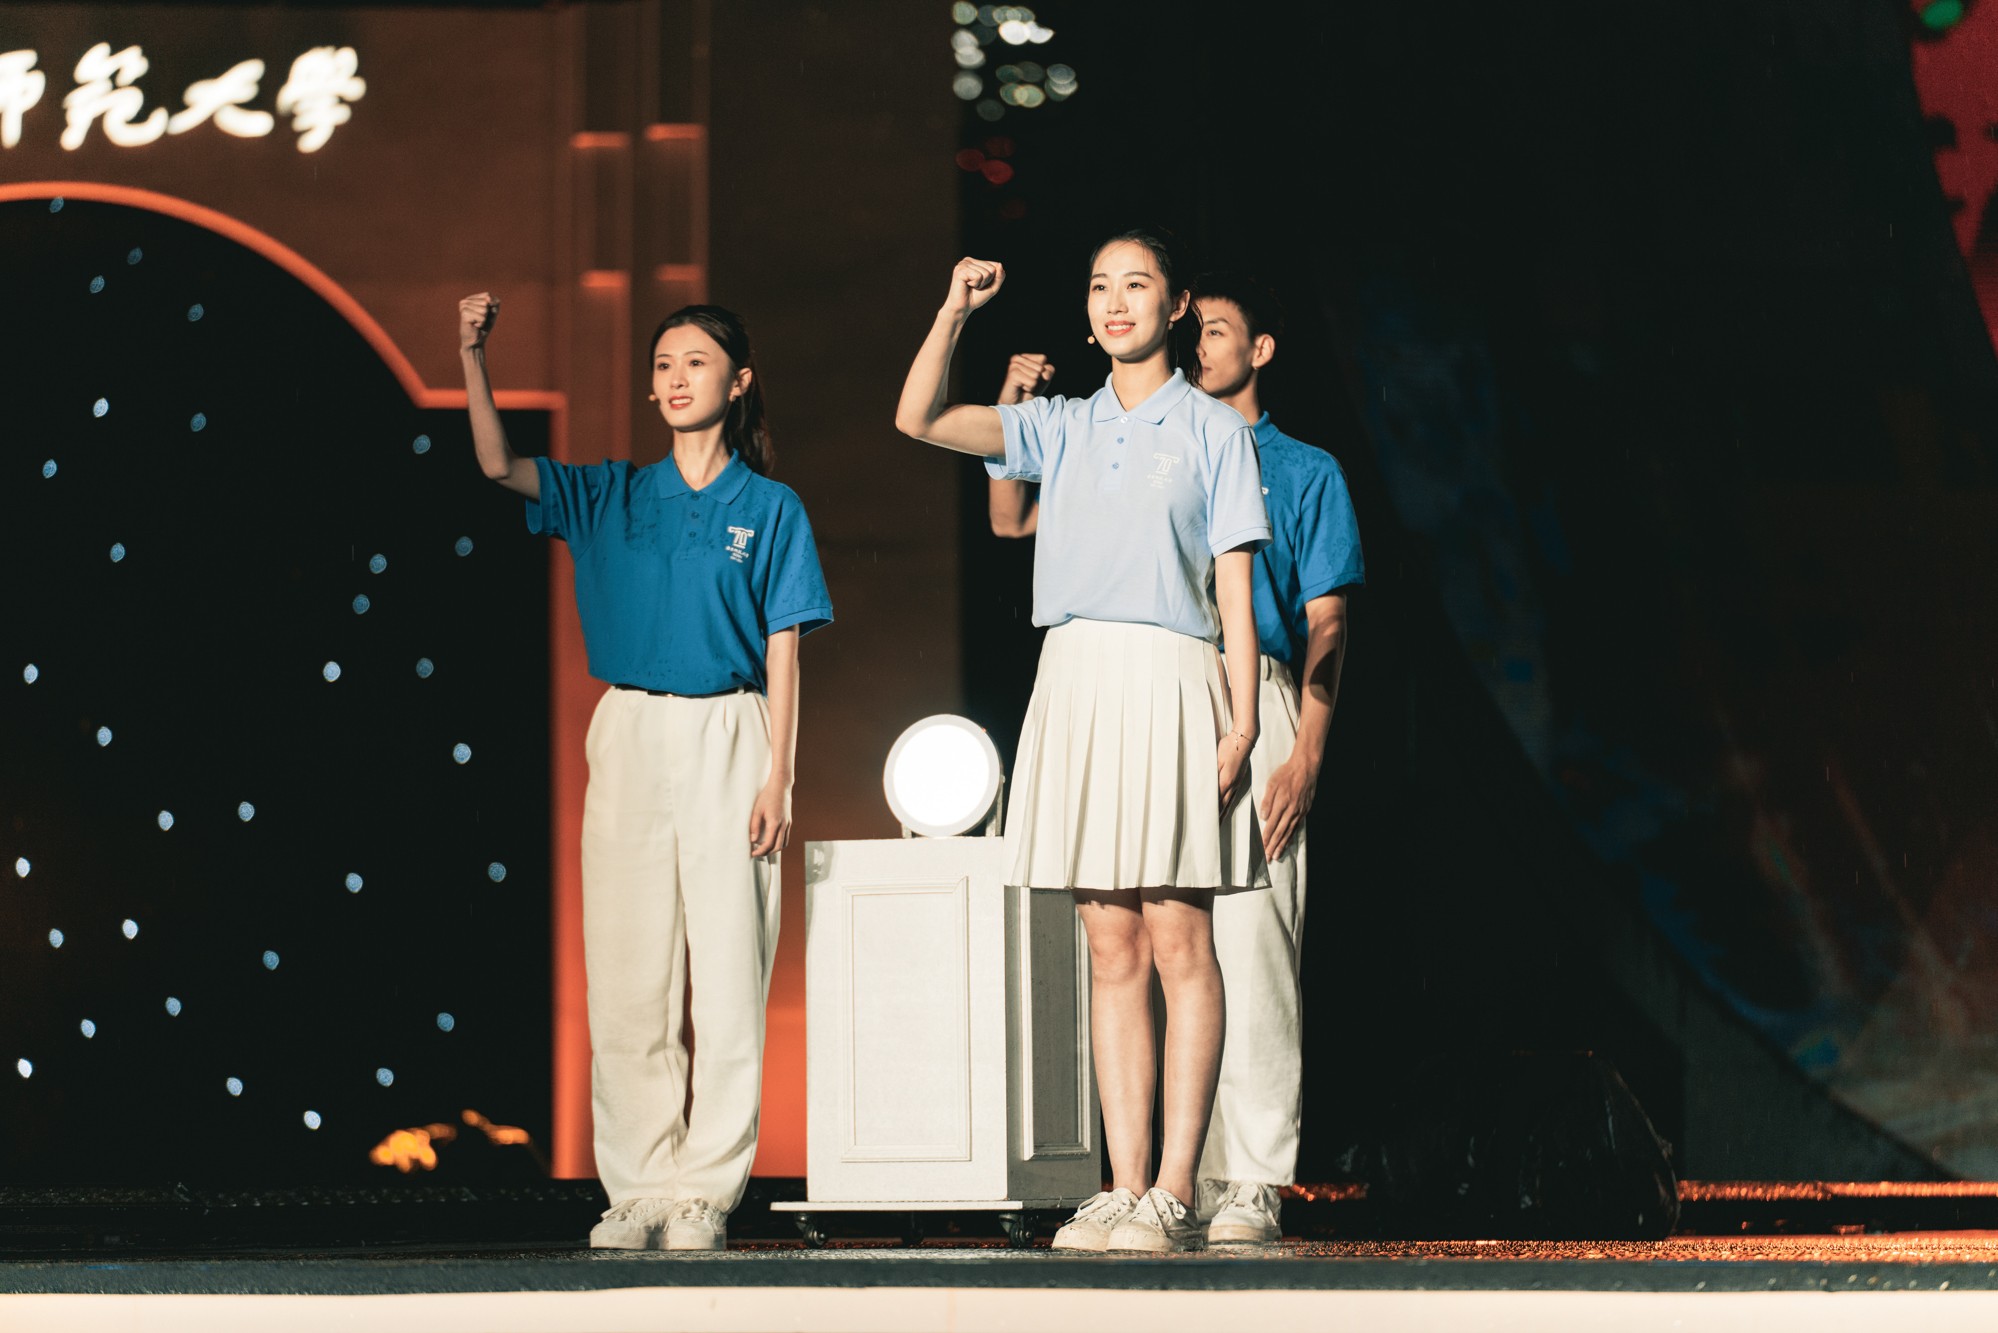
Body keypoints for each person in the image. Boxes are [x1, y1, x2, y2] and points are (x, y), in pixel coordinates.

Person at [894, 228, 1271, 1253]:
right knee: (1110, 944)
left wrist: (1241, 720)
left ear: (1175, 304)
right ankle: (1124, 1182)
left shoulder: (1212, 429)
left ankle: (1176, 1188)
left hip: (1174, 673)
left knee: (1179, 936)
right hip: (1076, 675)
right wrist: (955, 310)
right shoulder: (1057, 424)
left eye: (1137, 284)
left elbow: (1235, 590)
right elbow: (918, 417)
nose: (1116, 301)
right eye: (1101, 285)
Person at [986, 272, 1363, 1245]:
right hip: (1153, 684)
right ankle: (1154, 1181)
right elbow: (1015, 519)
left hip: (1253, 689)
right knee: (1139, 938)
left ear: (1261, 350)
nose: (1200, 345)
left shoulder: (1298, 466)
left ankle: (1250, 1175)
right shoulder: (1140, 436)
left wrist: (1303, 753)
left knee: (1251, 947)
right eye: (1196, 329)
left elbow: (1326, 622)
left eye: (1220, 331)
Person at [457, 293, 833, 1251]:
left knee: (729, 969)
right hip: (627, 727)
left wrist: (779, 778)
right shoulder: (611, 494)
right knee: (628, 969)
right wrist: (472, 355)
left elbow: (785, 648)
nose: (675, 378)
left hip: (732, 730)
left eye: (695, 362)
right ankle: (638, 1185)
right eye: (663, 364)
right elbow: (498, 464)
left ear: (738, 383)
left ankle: (705, 1189)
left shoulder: (770, 507)